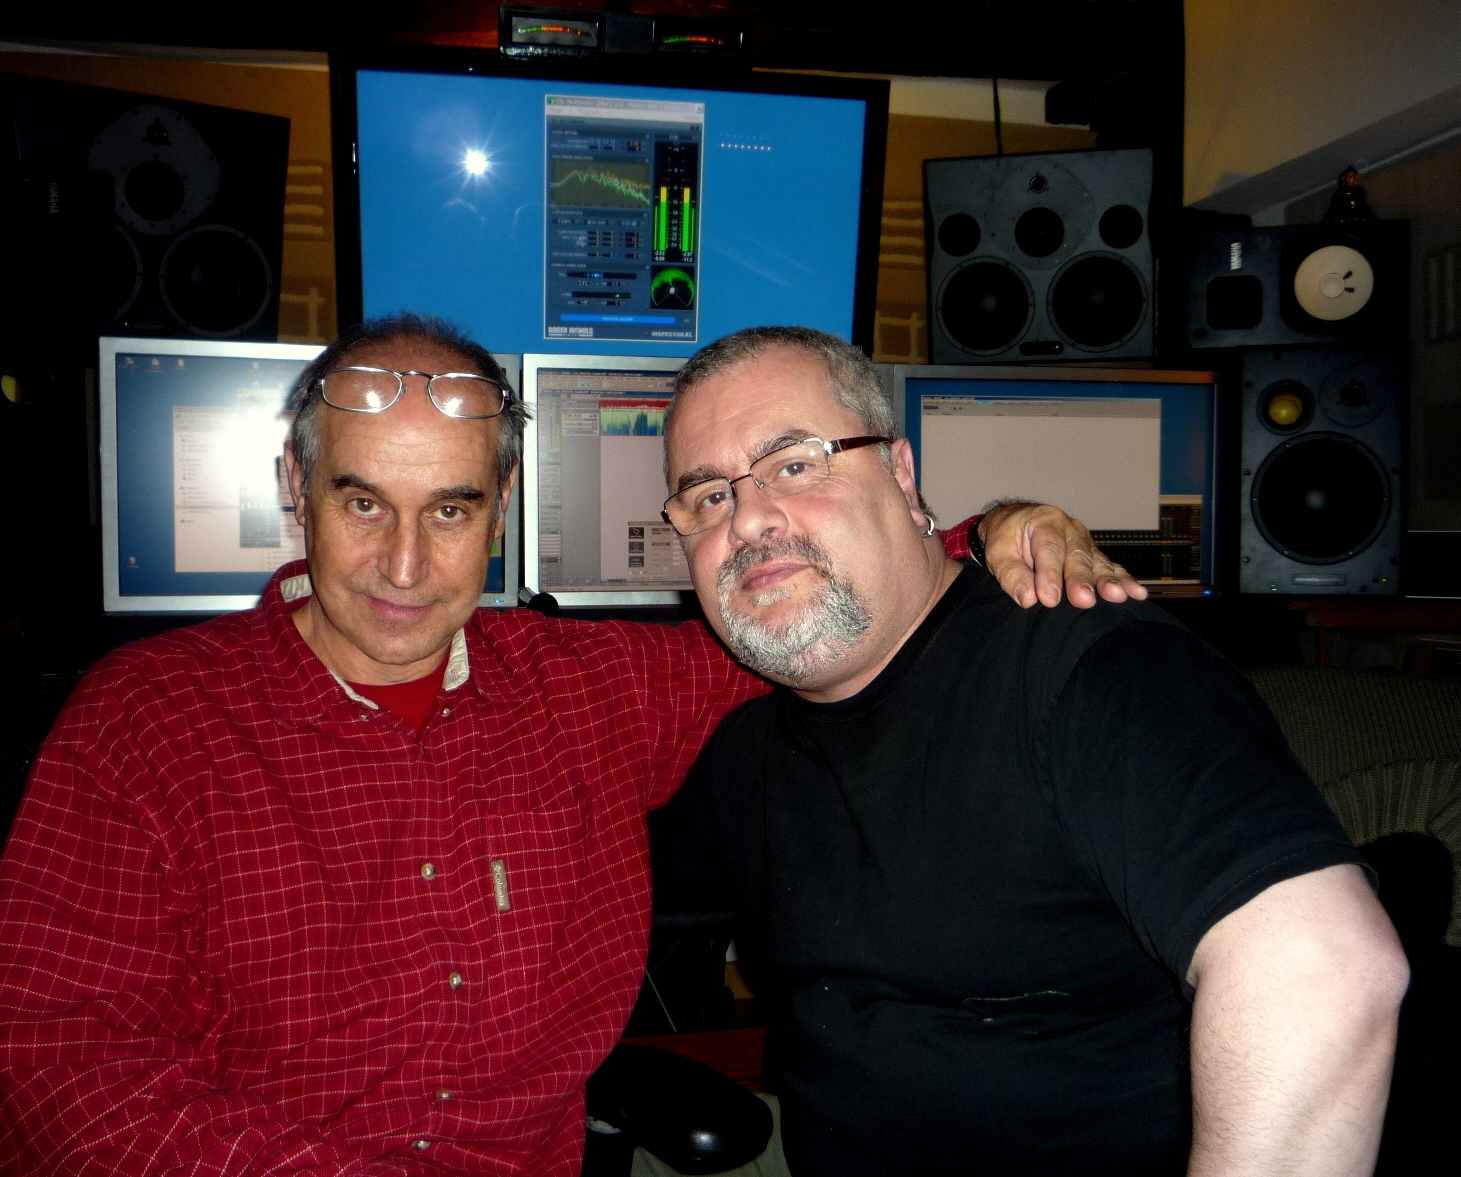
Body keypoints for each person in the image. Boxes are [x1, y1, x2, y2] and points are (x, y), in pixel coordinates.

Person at [0, 314, 1138, 1176]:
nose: (405, 565)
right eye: (363, 503)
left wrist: (989, 527)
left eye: (450, 509)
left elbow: (819, 601)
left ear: (502, 506)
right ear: (296, 487)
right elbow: (54, 1068)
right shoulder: (143, 723)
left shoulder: (586, 689)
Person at [651, 326, 1411, 1177]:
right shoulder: (744, 739)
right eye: (706, 497)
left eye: (794, 463)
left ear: (900, 474)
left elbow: (1319, 968)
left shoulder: (1091, 664)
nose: (748, 518)